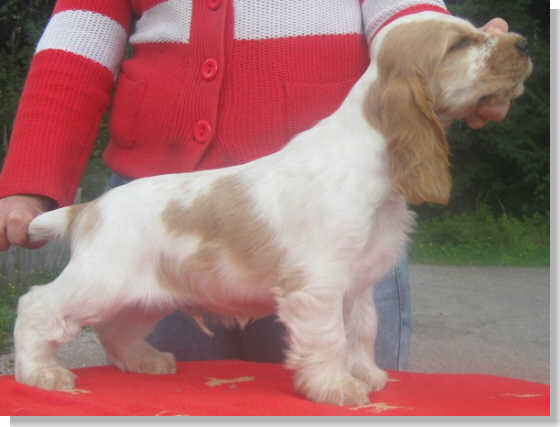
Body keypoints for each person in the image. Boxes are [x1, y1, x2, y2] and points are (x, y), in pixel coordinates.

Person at [0, 1, 511, 370]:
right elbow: (78, 39)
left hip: (337, 191)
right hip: (152, 204)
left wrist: (455, 51)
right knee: (152, 366)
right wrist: (29, 179)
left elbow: (405, 25)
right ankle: (54, 324)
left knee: (352, 352)